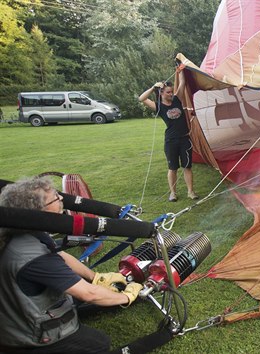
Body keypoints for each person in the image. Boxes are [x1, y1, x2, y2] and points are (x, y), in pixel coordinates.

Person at [0, 176, 143, 353]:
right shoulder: (33, 256)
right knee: (99, 343)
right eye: (55, 197)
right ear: (37, 211)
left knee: (75, 299)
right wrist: (126, 297)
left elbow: (60, 254)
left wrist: (95, 277)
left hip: (16, 308)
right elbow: (89, 294)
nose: (61, 199)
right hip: (24, 335)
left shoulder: (25, 232)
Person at [138, 66, 198, 202]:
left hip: (184, 139)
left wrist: (181, 69)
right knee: (173, 168)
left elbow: (182, 83)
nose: (171, 94)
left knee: (187, 166)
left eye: (171, 92)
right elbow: (141, 98)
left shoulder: (177, 99)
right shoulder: (158, 106)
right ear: (161, 93)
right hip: (171, 141)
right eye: (168, 92)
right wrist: (154, 87)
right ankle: (173, 193)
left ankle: (191, 192)